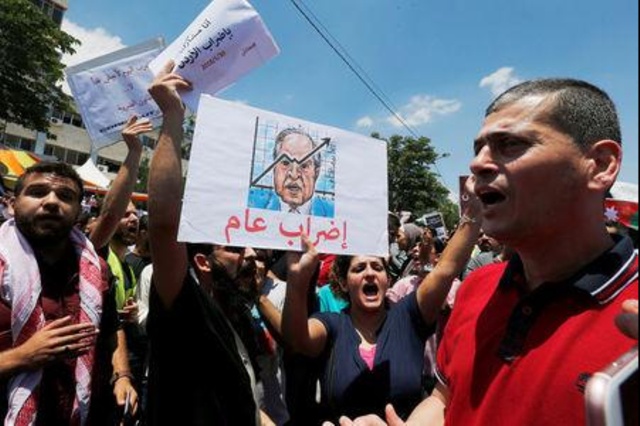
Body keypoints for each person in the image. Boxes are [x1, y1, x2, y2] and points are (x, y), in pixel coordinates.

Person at [340, 78, 639, 426]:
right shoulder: (477, 288)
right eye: (478, 148)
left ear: (600, 164)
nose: (477, 164)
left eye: (509, 144)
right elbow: (444, 398)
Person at [281, 187, 480, 423]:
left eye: (377, 267)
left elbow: (445, 269)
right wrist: (296, 281)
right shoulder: (332, 324)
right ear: (344, 283)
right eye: (359, 268)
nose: (369, 273)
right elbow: (297, 340)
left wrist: (475, 207)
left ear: (388, 280)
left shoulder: (408, 317)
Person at [145, 61, 261, 425]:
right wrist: (172, 117)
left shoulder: (238, 312)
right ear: (203, 262)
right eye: (235, 249)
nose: (252, 255)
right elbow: (164, 225)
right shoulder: (183, 303)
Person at [0, 162, 137, 424]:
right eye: (37, 192)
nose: (52, 202)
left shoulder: (95, 269)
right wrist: (22, 357)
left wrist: (122, 375)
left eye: (65, 196)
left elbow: (111, 329)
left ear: (77, 212)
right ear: (12, 204)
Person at [250, 128, 334, 217]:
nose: (294, 175)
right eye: (285, 163)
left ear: (316, 174)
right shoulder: (253, 203)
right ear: (274, 169)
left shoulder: (331, 211)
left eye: (304, 166)